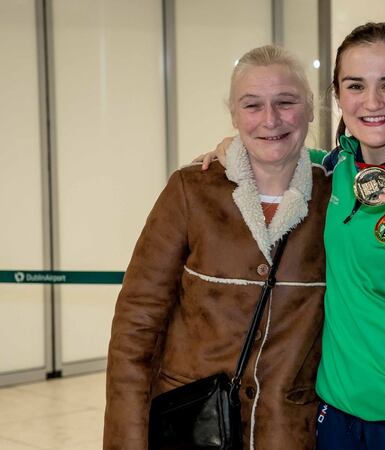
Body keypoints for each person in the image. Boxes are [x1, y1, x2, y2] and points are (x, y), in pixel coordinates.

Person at [199, 24, 385, 450]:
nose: (372, 103)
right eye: (355, 86)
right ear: (337, 95)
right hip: (336, 415)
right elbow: (291, 155)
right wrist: (237, 147)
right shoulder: (337, 169)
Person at [104, 45, 331, 450]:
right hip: (193, 427)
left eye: (286, 102)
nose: (270, 119)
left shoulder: (335, 202)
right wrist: (127, 440)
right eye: (252, 105)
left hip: (291, 433)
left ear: (311, 108)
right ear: (233, 113)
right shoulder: (191, 192)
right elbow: (136, 327)